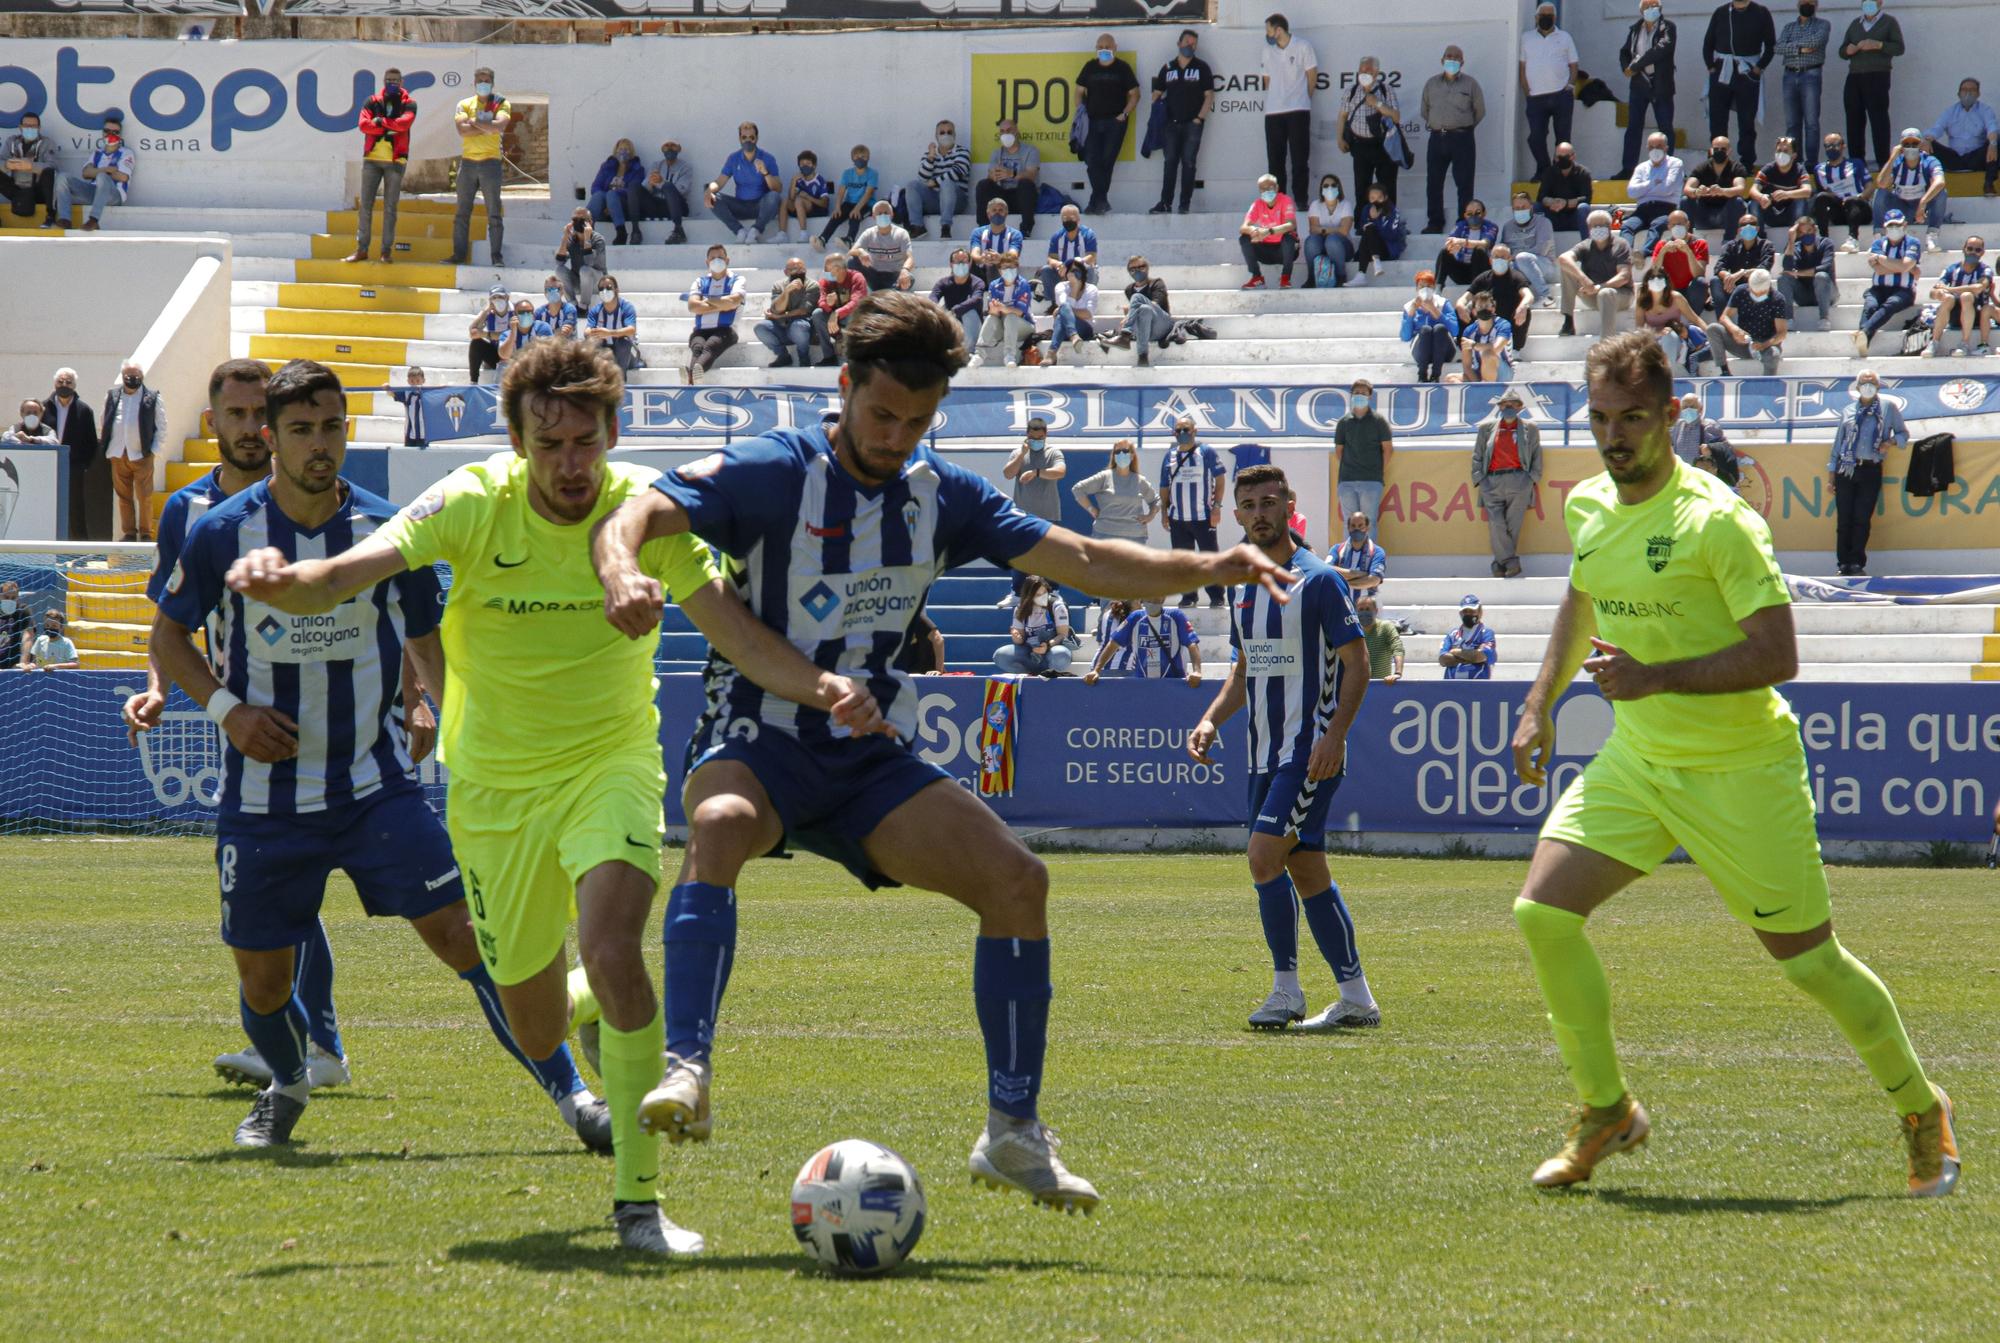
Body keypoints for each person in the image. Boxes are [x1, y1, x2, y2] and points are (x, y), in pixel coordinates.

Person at [588, 291, 1293, 1223]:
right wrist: (623, 569)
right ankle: (689, 1069)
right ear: (844, 388)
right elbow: (631, 513)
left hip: (870, 756)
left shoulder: (940, 493)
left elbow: (1080, 556)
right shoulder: (771, 470)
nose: (896, 436)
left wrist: (1207, 566)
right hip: (758, 736)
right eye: (882, 414)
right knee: (717, 826)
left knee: (1018, 882)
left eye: (918, 421)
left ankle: (1012, 1132)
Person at [221, 344, 887, 1254]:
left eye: (587, 441)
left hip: (608, 763)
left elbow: (738, 634)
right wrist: (284, 580)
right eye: (551, 444)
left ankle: (638, 1204)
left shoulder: (648, 511)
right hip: (493, 789)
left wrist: (825, 689)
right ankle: (568, 1000)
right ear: (520, 442)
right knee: (533, 1016)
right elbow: (348, 570)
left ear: (613, 433)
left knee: (617, 950)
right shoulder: (470, 502)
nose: (572, 463)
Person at [1507, 329, 1956, 1198]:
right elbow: (1582, 594)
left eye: (1634, 417)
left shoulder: (1718, 520)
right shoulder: (1590, 505)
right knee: (1543, 914)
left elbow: (1778, 653)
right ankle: (1606, 1109)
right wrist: (1538, 703)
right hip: (1642, 763)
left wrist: (1653, 677)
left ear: (1672, 415)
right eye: (1601, 418)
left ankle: (1919, 1106)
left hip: (1742, 769)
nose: (1615, 436)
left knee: (1810, 962)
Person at [155, 358, 614, 1164]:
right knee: (264, 984)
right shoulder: (222, 531)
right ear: (271, 437)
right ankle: (290, 1079)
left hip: (377, 789)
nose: (318, 444)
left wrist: (432, 702)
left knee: (467, 937)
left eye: (331, 426)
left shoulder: (386, 526)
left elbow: (425, 636)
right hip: (264, 797)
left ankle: (574, 1095)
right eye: (300, 429)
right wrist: (229, 712)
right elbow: (168, 637)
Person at [123, 359, 354, 1090]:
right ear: (214, 421)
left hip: (331, 716)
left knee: (290, 880)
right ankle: (305, 1042)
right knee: (277, 884)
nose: (252, 428)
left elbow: (381, 601)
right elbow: (172, 623)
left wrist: (413, 693)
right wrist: (160, 689)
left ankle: (314, 1045)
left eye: (264, 413)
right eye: (237, 415)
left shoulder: (321, 499)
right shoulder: (190, 515)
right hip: (245, 722)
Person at [1189, 463, 1376, 1034]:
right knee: (1308, 870)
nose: (1261, 513)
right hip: (1262, 755)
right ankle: (1357, 999)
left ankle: (1286, 990)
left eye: (1271, 502)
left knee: (1263, 856)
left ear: (1288, 505)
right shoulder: (1245, 584)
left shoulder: (1318, 580)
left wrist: (1334, 736)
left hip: (1307, 753)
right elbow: (1246, 671)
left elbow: (1358, 663)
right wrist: (1210, 719)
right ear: (1237, 514)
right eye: (1250, 505)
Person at [1828, 369, 1908, 574]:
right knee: (1844, 518)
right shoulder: (1848, 410)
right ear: (1857, 387)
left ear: (1878, 386)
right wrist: (1831, 476)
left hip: (1870, 469)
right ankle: (1843, 563)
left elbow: (1903, 434)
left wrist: (1889, 442)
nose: (1868, 386)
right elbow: (1838, 444)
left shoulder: (1888, 408)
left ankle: (1856, 562)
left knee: (1862, 518)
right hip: (1846, 469)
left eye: (1872, 382)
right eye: (1864, 382)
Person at [346, 70, 415, 264]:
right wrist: (388, 126)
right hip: (372, 160)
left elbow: (404, 124)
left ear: (401, 82)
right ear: (384, 81)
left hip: (395, 162)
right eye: (388, 80)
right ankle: (362, 249)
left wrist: (380, 122)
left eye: (395, 80)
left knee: (390, 208)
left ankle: (386, 251)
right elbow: (363, 125)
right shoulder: (372, 101)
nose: (392, 82)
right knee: (365, 207)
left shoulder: (409, 103)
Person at [1472, 389, 1542, 579]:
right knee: (1496, 523)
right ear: (1500, 407)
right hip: (1491, 480)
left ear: (1520, 408)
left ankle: (1499, 563)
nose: (1508, 408)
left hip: (1519, 479)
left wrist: (1532, 479)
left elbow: (1536, 455)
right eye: (1504, 404)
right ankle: (1510, 562)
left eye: (1513, 404)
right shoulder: (1486, 428)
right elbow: (1478, 455)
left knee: (1513, 525)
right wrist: (1480, 478)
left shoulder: (1531, 428)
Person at [1159, 416, 1225, 608]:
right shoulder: (1169, 456)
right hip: (1178, 518)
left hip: (1203, 517)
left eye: (1186, 429)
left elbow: (1220, 480)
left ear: (1194, 431)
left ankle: (1216, 596)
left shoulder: (1207, 452)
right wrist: (1164, 512)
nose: (1182, 434)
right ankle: (1189, 597)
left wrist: (1217, 507)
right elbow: (1164, 486)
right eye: (1178, 430)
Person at [1421, 45, 1487, 235]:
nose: (1452, 60)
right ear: (1442, 60)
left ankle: (1464, 222)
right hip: (1437, 137)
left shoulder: (1471, 84)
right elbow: (1425, 110)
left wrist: (1463, 128)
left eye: (1456, 57)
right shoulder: (1431, 84)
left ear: (1462, 62)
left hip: (1462, 138)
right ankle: (1435, 222)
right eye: (1449, 56)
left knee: (1464, 182)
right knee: (1434, 182)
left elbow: (1480, 111)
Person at [447, 68, 508, 267]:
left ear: (492, 83)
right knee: (462, 212)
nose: (483, 82)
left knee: (494, 213)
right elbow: (462, 131)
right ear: (474, 82)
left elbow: (498, 127)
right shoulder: (464, 104)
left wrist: (474, 121)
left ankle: (496, 256)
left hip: (491, 163)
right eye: (480, 80)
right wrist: (485, 125)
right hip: (468, 163)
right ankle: (458, 254)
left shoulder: (500, 102)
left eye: (487, 80)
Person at [1702, 0, 1776, 162]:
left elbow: (1771, 45)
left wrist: (1758, 68)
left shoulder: (1761, 12)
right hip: (1722, 70)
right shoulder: (1721, 12)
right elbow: (1708, 43)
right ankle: (1717, 160)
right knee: (1717, 119)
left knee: (1746, 120)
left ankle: (1747, 162)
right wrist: (1711, 67)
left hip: (1747, 71)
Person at [1152, 29, 1215, 216]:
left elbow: (1209, 96)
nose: (1190, 45)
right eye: (1187, 41)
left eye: (1194, 43)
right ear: (1179, 43)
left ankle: (1184, 204)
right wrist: (1160, 113)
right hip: (1170, 124)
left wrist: (1199, 118)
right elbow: (1156, 94)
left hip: (1192, 124)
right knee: (1170, 162)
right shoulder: (1167, 68)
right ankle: (1165, 203)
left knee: (1188, 163)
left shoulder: (1202, 67)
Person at [1075, 32, 1140, 215]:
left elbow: (1135, 94)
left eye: (1107, 47)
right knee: (1092, 160)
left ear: (1115, 48)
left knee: (1107, 161)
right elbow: (1078, 91)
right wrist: (1081, 113)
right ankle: (1100, 201)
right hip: (1092, 122)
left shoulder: (1122, 68)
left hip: (1115, 122)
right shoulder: (1089, 67)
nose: (1104, 50)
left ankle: (1095, 202)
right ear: (1096, 48)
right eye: (1100, 47)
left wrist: (1124, 113)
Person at [1001, 422, 1067, 599]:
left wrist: (1037, 472)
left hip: (1049, 514)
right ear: (1026, 435)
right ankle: (1016, 593)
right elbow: (1008, 474)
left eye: (1040, 438)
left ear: (1046, 435)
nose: (1036, 441)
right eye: (1032, 437)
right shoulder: (1018, 453)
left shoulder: (1053, 452)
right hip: (1022, 515)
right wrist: (1022, 454)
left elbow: (1060, 472)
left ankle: (1053, 592)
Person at [1260, 13, 1319, 209]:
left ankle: (1301, 200)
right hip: (1273, 112)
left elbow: (1312, 76)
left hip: (1298, 109)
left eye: (1269, 30)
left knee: (1299, 158)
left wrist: (1304, 97)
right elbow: (1267, 81)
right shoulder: (1267, 51)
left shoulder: (1303, 46)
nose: (1267, 34)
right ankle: (1279, 202)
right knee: (1275, 160)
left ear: (1279, 30)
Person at [1839, 0, 1904, 169]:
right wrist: (1849, 50)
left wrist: (1878, 44)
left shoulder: (1889, 22)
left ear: (1880, 3)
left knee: (1878, 118)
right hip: (1854, 75)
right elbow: (1842, 51)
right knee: (1854, 117)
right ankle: (1856, 161)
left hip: (1878, 75)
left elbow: (1899, 48)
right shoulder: (1855, 24)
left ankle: (1883, 161)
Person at [101, 361, 162, 542]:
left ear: (142, 377)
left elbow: (161, 426)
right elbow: (104, 420)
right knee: (123, 496)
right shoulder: (112, 396)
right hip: (118, 453)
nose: (132, 379)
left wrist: (154, 450)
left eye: (135, 376)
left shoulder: (152, 397)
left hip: (142, 454)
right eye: (128, 376)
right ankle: (129, 532)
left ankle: (145, 533)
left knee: (144, 496)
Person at [1620, 1, 1680, 178]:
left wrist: (1636, 65)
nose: (1651, 9)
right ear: (1641, 10)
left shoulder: (1668, 27)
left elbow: (1661, 49)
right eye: (1647, 6)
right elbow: (1624, 52)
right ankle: (1627, 168)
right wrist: (1626, 68)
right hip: (1639, 85)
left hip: (1660, 85)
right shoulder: (1635, 29)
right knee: (1633, 127)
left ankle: (1668, 168)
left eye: (1655, 5)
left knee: (1665, 128)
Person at [1521, 4, 1581, 181]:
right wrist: (1527, 93)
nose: (1546, 18)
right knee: (1535, 138)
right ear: (1536, 18)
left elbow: (1574, 65)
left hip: (1561, 96)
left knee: (1563, 139)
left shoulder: (1564, 37)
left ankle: (1562, 173)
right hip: (1536, 98)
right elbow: (1522, 67)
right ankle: (1544, 169)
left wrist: (1570, 86)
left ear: (1555, 18)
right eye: (1542, 15)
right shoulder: (1526, 38)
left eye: (1549, 15)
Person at [1854, 208, 1922, 356]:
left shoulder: (1913, 242)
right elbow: (1880, 270)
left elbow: (1903, 265)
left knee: (1891, 303)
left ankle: (1863, 333)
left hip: (1904, 290)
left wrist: (1881, 259)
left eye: (1897, 225)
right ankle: (1863, 339)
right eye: (1890, 226)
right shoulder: (1878, 243)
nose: (1894, 229)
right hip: (1879, 287)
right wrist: (1904, 267)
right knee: (1870, 305)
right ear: (1885, 227)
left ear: (1904, 224)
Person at [53, 111, 135, 232]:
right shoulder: (97, 153)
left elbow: (123, 177)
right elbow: (86, 173)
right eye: (107, 131)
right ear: (102, 133)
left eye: (115, 132)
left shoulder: (126, 152)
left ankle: (93, 220)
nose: (110, 135)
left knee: (102, 177)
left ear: (120, 136)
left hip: (114, 195)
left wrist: (99, 172)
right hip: (93, 192)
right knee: (62, 177)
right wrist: (107, 170)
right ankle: (65, 220)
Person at [1085, 599, 1200, 685]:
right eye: (1149, 597)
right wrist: (1096, 670)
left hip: (1173, 682)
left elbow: (1192, 644)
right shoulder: (1135, 617)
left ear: (1163, 597)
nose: (1152, 601)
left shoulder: (1176, 616)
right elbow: (1113, 643)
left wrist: (1197, 671)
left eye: (1156, 597)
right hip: (1142, 684)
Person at [43, 368, 100, 540]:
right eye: (60, 382)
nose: (64, 385)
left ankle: (79, 549)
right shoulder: (44, 407)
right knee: (47, 505)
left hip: (73, 467)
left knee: (75, 508)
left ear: (74, 385)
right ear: (54, 383)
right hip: (47, 465)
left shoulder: (84, 410)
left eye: (68, 382)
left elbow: (91, 442)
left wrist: (83, 465)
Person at [1337, 55, 1402, 205]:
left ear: (1376, 72)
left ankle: (1389, 222)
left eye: (1367, 69)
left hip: (1384, 145)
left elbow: (1396, 117)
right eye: (1361, 69)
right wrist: (1339, 138)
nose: (1363, 72)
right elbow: (1342, 116)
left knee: (1387, 188)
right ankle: (1362, 224)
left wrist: (1377, 103)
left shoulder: (1387, 90)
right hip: (1360, 145)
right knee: (1361, 188)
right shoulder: (1351, 91)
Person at [1558, 212, 1635, 338]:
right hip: (1592, 293)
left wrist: (1599, 287)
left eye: (1602, 225)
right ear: (1588, 228)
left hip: (1620, 295)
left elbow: (1624, 276)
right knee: (1567, 269)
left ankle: (1606, 341)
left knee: (1606, 293)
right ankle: (1568, 320)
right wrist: (1584, 280)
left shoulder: (1621, 245)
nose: (1598, 229)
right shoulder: (1585, 245)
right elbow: (1563, 258)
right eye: (1594, 226)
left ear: (1610, 227)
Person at [1776, 2, 1832, 169]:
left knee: (1811, 122)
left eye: (1810, 2)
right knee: (1792, 123)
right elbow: (1777, 47)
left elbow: (1816, 42)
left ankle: (1811, 164)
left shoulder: (1822, 25)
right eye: (1803, 2)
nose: (1806, 4)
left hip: (1811, 74)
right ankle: (1794, 161)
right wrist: (1801, 49)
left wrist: (1791, 46)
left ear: (1816, 5)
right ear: (1797, 4)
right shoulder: (1789, 27)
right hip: (1789, 74)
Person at [1872, 128, 1947, 251]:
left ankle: (1932, 235)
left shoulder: (1929, 161)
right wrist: (1892, 157)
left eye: (1914, 144)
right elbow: (1881, 183)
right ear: (1901, 146)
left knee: (1941, 193)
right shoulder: (1896, 162)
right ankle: (1879, 236)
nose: (1910, 147)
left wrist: (1922, 203)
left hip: (1922, 210)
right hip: (1900, 207)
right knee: (1880, 193)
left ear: (1920, 145)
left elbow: (1940, 182)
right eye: (1906, 144)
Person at [707, 122, 783, 244]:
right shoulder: (733, 158)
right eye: (744, 137)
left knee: (774, 197)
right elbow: (719, 182)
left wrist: (765, 173)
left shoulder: (768, 158)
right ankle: (739, 231)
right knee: (712, 197)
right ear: (739, 139)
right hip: (740, 206)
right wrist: (709, 190)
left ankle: (756, 230)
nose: (748, 140)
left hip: (760, 206)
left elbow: (778, 188)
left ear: (757, 138)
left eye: (751, 137)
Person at [1334, 381, 1393, 535]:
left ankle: (1369, 558)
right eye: (1357, 393)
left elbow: (1387, 449)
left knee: (1369, 522)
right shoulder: (1343, 422)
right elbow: (1339, 450)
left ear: (1370, 396)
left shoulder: (1379, 421)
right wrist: (1350, 466)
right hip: (1346, 481)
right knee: (1349, 522)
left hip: (1371, 480)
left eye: (1363, 393)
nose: (1360, 395)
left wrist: (1378, 471)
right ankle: (1349, 558)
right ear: (1351, 395)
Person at [1924, 79, 2000, 199]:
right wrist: (1928, 140)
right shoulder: (1950, 112)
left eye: (1972, 90)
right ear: (1958, 94)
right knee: (1922, 143)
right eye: (1965, 90)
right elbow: (1937, 128)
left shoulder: (1985, 110)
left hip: (1976, 159)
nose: (1968, 93)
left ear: (1978, 94)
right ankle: (1925, 187)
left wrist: (1993, 143)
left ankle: (1989, 184)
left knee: (1997, 142)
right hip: (1954, 159)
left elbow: (1992, 127)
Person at [1071, 440, 1157, 544]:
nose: (1121, 454)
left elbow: (1155, 500)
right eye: (1117, 452)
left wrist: (1150, 516)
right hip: (1105, 535)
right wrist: (1092, 509)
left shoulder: (1140, 480)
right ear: (1114, 456)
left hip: (1135, 537)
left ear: (1132, 455)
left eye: (1125, 451)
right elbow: (1078, 489)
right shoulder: (1105, 477)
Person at [1707, 267, 1790, 374]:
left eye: (1759, 293)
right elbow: (1724, 317)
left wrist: (1764, 344)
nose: (1755, 295)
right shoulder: (1741, 290)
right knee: (1713, 329)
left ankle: (1767, 382)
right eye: (1752, 291)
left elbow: (1781, 333)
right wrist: (1735, 330)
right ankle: (1725, 371)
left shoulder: (1778, 299)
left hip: (1766, 345)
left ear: (1767, 288)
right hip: (1743, 343)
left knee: (1773, 355)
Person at [1922, 235, 1993, 359]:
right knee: (1948, 299)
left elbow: (1978, 288)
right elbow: (1934, 291)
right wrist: (1939, 294)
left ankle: (1964, 344)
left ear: (1982, 253)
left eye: (1977, 250)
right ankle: (1934, 343)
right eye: (1970, 248)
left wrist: (1949, 289)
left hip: (1977, 315)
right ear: (1964, 249)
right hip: (1954, 315)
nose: (1973, 253)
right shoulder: (1952, 269)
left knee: (1966, 296)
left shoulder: (1985, 270)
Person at [899, 119, 970, 239]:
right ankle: (917, 226)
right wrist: (931, 158)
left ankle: (946, 226)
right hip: (935, 201)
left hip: (957, 202)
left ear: (954, 135)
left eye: (949, 132)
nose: (946, 135)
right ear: (936, 136)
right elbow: (922, 178)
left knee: (947, 183)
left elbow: (958, 172)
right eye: (942, 133)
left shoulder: (962, 152)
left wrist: (935, 182)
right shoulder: (929, 154)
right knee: (912, 185)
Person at [1636, 268, 1718, 374]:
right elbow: (1639, 330)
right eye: (1652, 278)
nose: (1656, 280)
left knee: (1669, 336)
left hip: (1676, 340)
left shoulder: (1676, 298)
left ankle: (1666, 375)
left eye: (1660, 278)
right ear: (1646, 283)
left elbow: (1695, 319)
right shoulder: (1641, 302)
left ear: (1666, 281)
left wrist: (1713, 336)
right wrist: (1657, 334)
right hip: (1653, 341)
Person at [685, 245, 746, 384]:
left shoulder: (737, 280)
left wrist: (707, 302)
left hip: (726, 330)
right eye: (712, 258)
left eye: (720, 257)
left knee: (710, 346)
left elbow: (733, 302)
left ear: (727, 260)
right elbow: (693, 306)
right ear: (707, 262)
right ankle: (692, 377)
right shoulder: (700, 282)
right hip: (701, 330)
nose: (716, 261)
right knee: (697, 347)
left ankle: (690, 377)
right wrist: (722, 305)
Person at [1458, 245, 1535, 353]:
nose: (1499, 259)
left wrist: (1523, 306)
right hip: (1485, 318)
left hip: (1508, 319)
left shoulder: (1516, 277)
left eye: (1503, 257)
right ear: (1490, 259)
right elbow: (1465, 297)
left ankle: (1515, 349)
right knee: (1461, 310)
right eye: (1496, 256)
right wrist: (1460, 305)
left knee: (1525, 310)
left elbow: (1529, 295)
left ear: (1509, 259)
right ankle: (1464, 349)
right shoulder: (1483, 277)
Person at [995, 576, 1074, 676]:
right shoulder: (1020, 608)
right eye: (1038, 595)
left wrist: (1048, 645)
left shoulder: (1056, 605)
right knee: (1001, 655)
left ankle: (1051, 675)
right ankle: (1029, 676)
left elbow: (1063, 634)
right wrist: (1017, 637)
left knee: (1061, 654)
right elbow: (1020, 640)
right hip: (1030, 653)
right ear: (1029, 596)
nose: (1042, 597)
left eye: (1044, 593)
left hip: (1051, 651)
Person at [976, 118, 1041, 238]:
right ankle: (983, 228)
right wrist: (993, 175)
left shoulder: (1030, 151)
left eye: (1009, 130)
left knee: (1026, 184)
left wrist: (1012, 174)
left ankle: (1026, 228)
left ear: (1017, 131)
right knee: (983, 185)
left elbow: (1031, 175)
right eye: (1002, 131)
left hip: (1021, 196)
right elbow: (990, 175)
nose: (1005, 134)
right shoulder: (996, 153)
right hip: (1003, 197)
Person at [1622, 131, 1687, 252]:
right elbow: (1631, 192)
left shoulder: (1675, 163)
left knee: (1657, 225)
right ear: (1647, 148)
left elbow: (1667, 189)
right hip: (1642, 209)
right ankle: (1627, 255)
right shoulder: (1641, 167)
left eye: (1659, 147)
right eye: (1651, 147)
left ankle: (1644, 253)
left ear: (1666, 148)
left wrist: (1643, 189)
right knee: (1627, 226)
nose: (1655, 150)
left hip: (1666, 208)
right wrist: (1652, 183)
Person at [1811, 131, 1875, 250]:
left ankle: (1853, 239)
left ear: (1843, 146)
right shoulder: (1819, 170)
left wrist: (1860, 198)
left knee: (1852, 201)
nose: (1832, 148)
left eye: (1835, 144)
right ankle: (1823, 239)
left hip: (1860, 209)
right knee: (1820, 197)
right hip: (1839, 211)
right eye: (1828, 145)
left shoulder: (1856, 163)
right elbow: (1823, 192)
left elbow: (1870, 186)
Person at [970, 251, 1033, 370]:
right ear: (999, 270)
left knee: (1011, 316)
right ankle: (979, 354)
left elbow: (1020, 312)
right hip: (1003, 327)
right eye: (1005, 268)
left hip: (1023, 327)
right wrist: (994, 309)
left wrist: (1003, 308)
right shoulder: (994, 285)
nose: (1008, 270)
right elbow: (993, 313)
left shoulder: (1023, 284)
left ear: (1017, 268)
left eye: (1012, 267)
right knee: (991, 317)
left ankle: (1009, 355)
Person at [756, 257, 820, 369]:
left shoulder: (812, 285)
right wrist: (786, 292)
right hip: (783, 328)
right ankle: (783, 355)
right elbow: (777, 309)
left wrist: (779, 316)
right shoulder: (778, 285)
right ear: (786, 272)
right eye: (795, 269)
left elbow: (803, 310)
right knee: (760, 327)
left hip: (803, 331)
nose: (799, 272)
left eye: (802, 269)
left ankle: (804, 357)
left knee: (798, 325)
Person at [1238, 174, 1299, 289]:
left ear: (1276, 188)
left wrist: (1269, 231)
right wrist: (1255, 230)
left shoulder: (1285, 200)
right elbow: (1243, 227)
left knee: (1289, 237)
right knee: (1244, 238)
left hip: (1284, 250)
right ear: (1259, 190)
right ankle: (1257, 277)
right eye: (1262, 188)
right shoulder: (1257, 204)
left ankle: (1285, 278)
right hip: (1264, 250)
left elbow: (1291, 224)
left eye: (1269, 187)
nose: (1266, 191)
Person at [585, 139, 648, 246]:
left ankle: (621, 232)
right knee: (599, 195)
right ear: (616, 151)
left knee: (611, 194)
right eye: (621, 149)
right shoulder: (607, 167)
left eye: (627, 149)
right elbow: (596, 186)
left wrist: (613, 199)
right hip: (604, 209)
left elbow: (633, 191)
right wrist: (607, 204)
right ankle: (587, 232)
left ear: (631, 152)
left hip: (623, 207)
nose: (623, 152)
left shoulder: (637, 169)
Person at [1402, 270, 1461, 383]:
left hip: (1444, 351)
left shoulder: (1443, 303)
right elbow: (1405, 337)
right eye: (1421, 286)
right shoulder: (1409, 306)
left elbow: (1455, 331)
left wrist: (1434, 310)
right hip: (1421, 352)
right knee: (1425, 329)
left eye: (1429, 286)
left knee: (1439, 328)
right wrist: (1411, 313)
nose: (1425, 289)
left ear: (1433, 287)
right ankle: (1422, 375)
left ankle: (1435, 375)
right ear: (1416, 289)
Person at [1708, 215, 1776, 313]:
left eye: (1752, 224)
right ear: (1739, 230)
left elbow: (1764, 269)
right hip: (1733, 289)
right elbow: (1719, 267)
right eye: (1744, 225)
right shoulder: (1731, 246)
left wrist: (1742, 273)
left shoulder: (1766, 245)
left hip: (1756, 288)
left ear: (1757, 228)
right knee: (1715, 281)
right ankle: (1723, 323)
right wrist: (1728, 276)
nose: (1748, 227)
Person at [1780, 216, 1839, 329]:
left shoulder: (1826, 243)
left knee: (1820, 276)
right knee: (1783, 278)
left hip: (1828, 293)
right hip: (1805, 296)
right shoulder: (1795, 247)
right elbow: (1787, 267)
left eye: (1808, 231)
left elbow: (1825, 268)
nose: (1805, 235)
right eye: (1801, 232)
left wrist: (1799, 273)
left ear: (1815, 229)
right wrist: (1791, 240)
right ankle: (1788, 320)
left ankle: (1824, 318)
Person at [1685, 135, 1752, 234]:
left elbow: (1740, 188)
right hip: (1704, 213)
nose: (1719, 151)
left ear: (1729, 151)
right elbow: (1687, 188)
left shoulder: (1736, 167)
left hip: (1725, 214)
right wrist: (1697, 192)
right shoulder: (1702, 167)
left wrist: (1722, 191)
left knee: (1738, 201)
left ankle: (1728, 240)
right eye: (1716, 149)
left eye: (1723, 149)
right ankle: (1688, 237)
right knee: (1685, 200)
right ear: (1711, 150)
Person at [814, 251, 869, 369]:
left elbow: (856, 303)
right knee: (817, 314)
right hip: (834, 322)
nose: (824, 271)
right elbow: (821, 301)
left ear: (838, 269)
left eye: (826, 268)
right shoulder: (825, 281)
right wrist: (829, 305)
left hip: (853, 321)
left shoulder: (856, 277)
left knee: (852, 315)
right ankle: (829, 356)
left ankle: (849, 354)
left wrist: (836, 313)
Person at [1648, 210, 1713, 312]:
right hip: (1671, 291)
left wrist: (1688, 251)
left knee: (1700, 282)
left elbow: (1699, 273)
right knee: (1655, 281)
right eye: (1673, 225)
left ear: (1688, 225)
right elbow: (1654, 271)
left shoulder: (1700, 243)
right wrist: (1663, 251)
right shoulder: (1662, 244)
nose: (1677, 227)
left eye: (1680, 224)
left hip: (1690, 290)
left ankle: (1693, 320)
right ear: (1669, 227)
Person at [3, 110, 58, 228]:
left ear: (39, 128)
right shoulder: (11, 141)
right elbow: (1, 161)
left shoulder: (47, 143)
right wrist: (7, 165)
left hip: (36, 190)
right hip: (16, 188)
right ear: (20, 127)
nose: (30, 128)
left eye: (33, 126)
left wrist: (32, 167)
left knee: (49, 173)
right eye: (27, 125)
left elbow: (53, 166)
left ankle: (50, 217)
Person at [1502, 190, 1558, 305]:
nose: (1520, 210)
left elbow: (1541, 249)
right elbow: (1504, 248)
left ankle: (1546, 295)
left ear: (1531, 207)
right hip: (1517, 266)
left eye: (1524, 207)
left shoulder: (1543, 222)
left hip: (1544, 265)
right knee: (1502, 264)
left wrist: (1514, 257)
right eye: (1517, 208)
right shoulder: (1507, 227)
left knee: (1522, 258)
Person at [1119, 255, 1173, 367]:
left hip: (1162, 325)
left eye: (1141, 267)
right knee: (1144, 309)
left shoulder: (1157, 283)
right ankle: (1142, 356)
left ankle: (1125, 335)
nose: (1137, 271)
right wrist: (1129, 314)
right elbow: (1140, 311)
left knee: (1137, 298)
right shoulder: (1129, 289)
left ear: (1147, 268)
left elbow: (1155, 305)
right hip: (1145, 331)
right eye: (1133, 269)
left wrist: (1129, 313)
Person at [583, 274, 643, 375]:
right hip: (606, 348)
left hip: (625, 349)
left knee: (623, 343)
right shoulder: (596, 310)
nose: (605, 291)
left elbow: (631, 329)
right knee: (593, 343)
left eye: (609, 287)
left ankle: (621, 383)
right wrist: (596, 332)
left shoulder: (626, 307)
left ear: (616, 290)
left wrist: (609, 333)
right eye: (601, 288)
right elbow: (587, 331)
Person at [638, 138, 694, 246]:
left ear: (679, 148)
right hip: (659, 206)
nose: (669, 149)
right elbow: (645, 187)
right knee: (635, 188)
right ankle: (635, 231)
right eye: (666, 146)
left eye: (672, 145)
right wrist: (651, 182)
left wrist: (661, 182)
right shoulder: (656, 165)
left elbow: (681, 189)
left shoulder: (686, 167)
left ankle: (678, 230)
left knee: (668, 186)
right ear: (662, 149)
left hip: (678, 206)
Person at [1040, 206, 1100, 306]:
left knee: (1091, 270)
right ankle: (1054, 303)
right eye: (1064, 218)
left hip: (1082, 271)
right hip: (1063, 274)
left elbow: (1092, 257)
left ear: (1078, 219)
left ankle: (1084, 301)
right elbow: (1051, 258)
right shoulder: (1057, 236)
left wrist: (1071, 264)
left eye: (1071, 218)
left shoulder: (1088, 234)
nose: (1068, 220)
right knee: (1046, 270)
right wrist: (1058, 264)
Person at [852, 201, 915, 295]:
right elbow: (852, 251)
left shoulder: (901, 233)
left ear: (892, 215)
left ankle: (890, 294)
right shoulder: (869, 233)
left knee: (910, 278)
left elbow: (909, 257)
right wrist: (861, 251)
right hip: (874, 276)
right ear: (873, 217)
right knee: (852, 261)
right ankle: (858, 293)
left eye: (886, 213)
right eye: (879, 213)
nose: (883, 216)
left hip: (894, 276)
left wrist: (905, 270)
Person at [1303, 174, 1354, 289]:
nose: (1329, 188)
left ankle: (1341, 277)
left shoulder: (1346, 204)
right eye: (1325, 186)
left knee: (1332, 240)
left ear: (1338, 187)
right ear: (1321, 189)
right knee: (1311, 241)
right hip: (1322, 245)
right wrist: (1335, 230)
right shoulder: (1315, 205)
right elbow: (1313, 230)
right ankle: (1311, 277)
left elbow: (1344, 231)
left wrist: (1323, 230)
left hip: (1343, 247)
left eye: (1333, 185)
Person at [1751, 137, 1814, 230]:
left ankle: (1797, 236)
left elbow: (1807, 191)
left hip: (1791, 215)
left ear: (1794, 155)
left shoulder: (1799, 170)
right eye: (1779, 150)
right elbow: (1753, 190)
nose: (1781, 154)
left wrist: (1786, 194)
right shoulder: (1768, 169)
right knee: (1754, 202)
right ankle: (1760, 238)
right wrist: (1761, 197)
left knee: (1801, 200)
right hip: (1770, 212)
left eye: (1785, 151)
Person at [930, 248, 987, 350]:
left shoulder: (978, 282)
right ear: (951, 264)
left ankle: (970, 352)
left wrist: (955, 310)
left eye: (964, 260)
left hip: (972, 323)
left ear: (970, 263)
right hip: (951, 320)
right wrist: (937, 310)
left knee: (969, 312)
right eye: (957, 261)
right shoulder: (943, 282)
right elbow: (933, 297)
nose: (961, 264)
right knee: (932, 313)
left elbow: (976, 299)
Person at [1351, 182, 1410, 282]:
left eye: (1379, 197)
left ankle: (1362, 273)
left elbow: (1392, 235)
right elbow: (1362, 228)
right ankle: (1373, 263)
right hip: (1370, 247)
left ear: (1385, 197)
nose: (1376, 200)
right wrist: (1370, 225)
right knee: (1369, 230)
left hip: (1388, 249)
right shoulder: (1366, 209)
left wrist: (1376, 222)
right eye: (1372, 198)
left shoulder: (1393, 211)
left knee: (1371, 228)